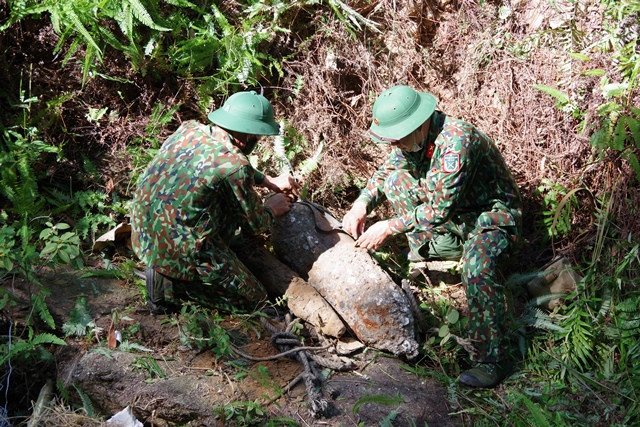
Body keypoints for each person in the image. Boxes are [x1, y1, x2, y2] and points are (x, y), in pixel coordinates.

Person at [342, 85, 522, 388]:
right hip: (455, 220)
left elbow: (438, 210)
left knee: (477, 267)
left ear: (417, 124)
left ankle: (494, 361)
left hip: (491, 218)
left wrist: (387, 226)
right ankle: (434, 251)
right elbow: (388, 172)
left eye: (398, 137)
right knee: (397, 180)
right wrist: (361, 204)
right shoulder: (415, 140)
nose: (395, 144)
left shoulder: (455, 144)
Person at [131, 91, 297, 313]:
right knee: (255, 299)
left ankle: (170, 269)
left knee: (220, 208)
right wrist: (272, 208)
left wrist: (267, 181)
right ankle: (175, 288)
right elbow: (256, 225)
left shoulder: (190, 130)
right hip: (179, 245)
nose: (257, 142)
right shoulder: (235, 165)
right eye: (257, 137)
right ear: (247, 136)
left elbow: (220, 165)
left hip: (145, 231)